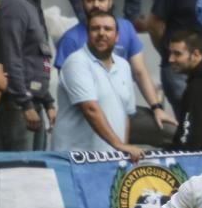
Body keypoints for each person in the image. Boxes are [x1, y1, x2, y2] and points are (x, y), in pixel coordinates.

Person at [55, 0, 177, 132]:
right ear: (82, 2)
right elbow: (71, 92)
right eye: (91, 0)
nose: (96, 5)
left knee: (170, 131)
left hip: (123, 112)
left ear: (110, 0)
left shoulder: (125, 28)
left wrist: (156, 107)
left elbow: (140, 72)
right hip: (87, 118)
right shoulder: (70, 40)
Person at [52, 11, 144, 159]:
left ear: (117, 36)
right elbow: (90, 109)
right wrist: (119, 145)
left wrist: (122, 152)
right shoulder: (76, 62)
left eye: (107, 29)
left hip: (110, 159)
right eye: (95, 29)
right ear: (88, 34)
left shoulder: (124, 66)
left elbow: (125, 115)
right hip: (75, 159)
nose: (101, 33)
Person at [0, 0, 55, 151]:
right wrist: (25, 104)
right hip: (18, 106)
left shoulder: (31, 6)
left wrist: (47, 101)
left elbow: (35, 57)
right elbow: (11, 57)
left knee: (36, 173)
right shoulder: (14, 5)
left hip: (33, 102)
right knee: (20, 173)